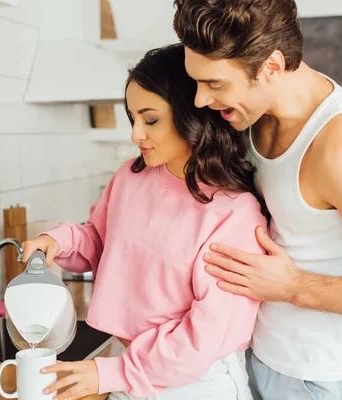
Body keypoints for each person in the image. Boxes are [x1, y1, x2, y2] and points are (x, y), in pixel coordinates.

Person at [172, 0, 342, 399]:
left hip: (319, 377)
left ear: (271, 67)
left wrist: (291, 286)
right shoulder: (251, 113)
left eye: (214, 84)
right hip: (254, 356)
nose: (200, 99)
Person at [21, 44, 269, 400]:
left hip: (194, 382)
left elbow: (205, 334)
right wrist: (60, 241)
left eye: (150, 120)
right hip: (128, 365)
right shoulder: (131, 177)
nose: (136, 134)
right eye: (132, 118)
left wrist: (116, 372)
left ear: (191, 115)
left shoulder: (233, 214)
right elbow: (105, 243)